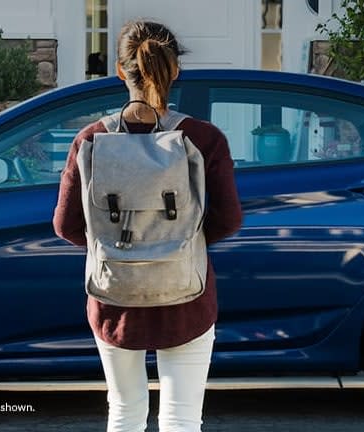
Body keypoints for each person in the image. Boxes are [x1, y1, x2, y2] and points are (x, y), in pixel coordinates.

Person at [53, 20, 243, 432]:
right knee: (182, 418)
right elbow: (229, 219)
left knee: (124, 412)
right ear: (174, 70)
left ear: (121, 71)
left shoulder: (90, 140)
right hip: (186, 296)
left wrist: (121, 246)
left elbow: (66, 225)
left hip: (114, 296)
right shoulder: (204, 138)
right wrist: (176, 242)